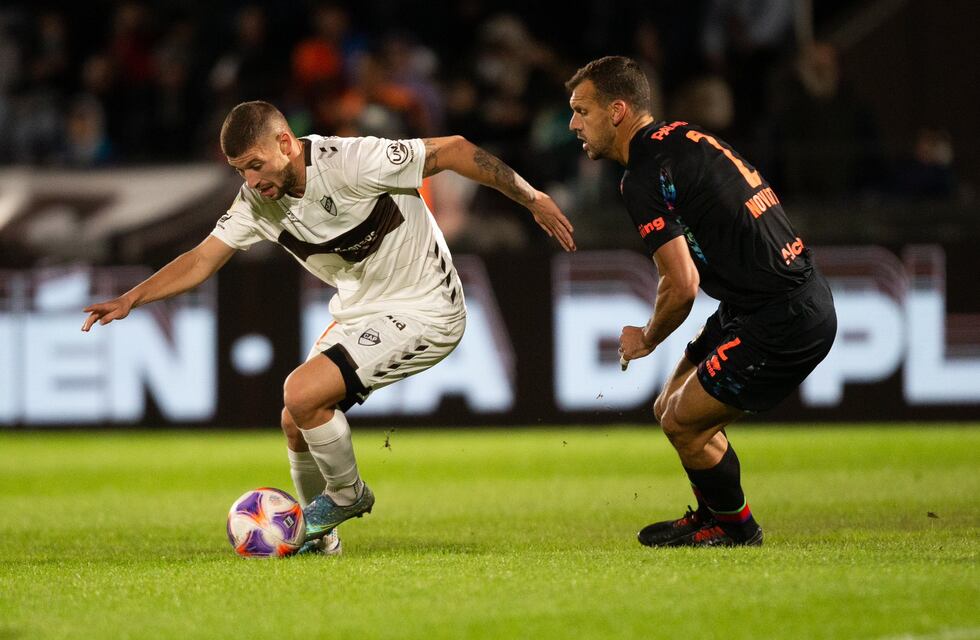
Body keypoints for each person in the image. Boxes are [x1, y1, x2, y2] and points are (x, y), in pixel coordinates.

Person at [81, 100, 576, 554]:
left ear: (285, 143)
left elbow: (455, 150)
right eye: (239, 170)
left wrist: (531, 197)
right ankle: (320, 541)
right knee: (294, 420)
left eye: (255, 165)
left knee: (301, 392)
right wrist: (131, 298)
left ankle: (346, 494)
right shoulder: (256, 203)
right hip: (362, 311)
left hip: (427, 307)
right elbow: (200, 260)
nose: (250, 180)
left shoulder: (352, 161)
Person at [566, 56, 836, 547]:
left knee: (682, 421)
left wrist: (647, 338)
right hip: (759, 301)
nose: (573, 124)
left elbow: (682, 284)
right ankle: (716, 514)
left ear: (617, 111)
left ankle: (736, 529)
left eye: (582, 111)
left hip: (783, 314)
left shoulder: (644, 175)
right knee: (667, 407)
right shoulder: (682, 137)